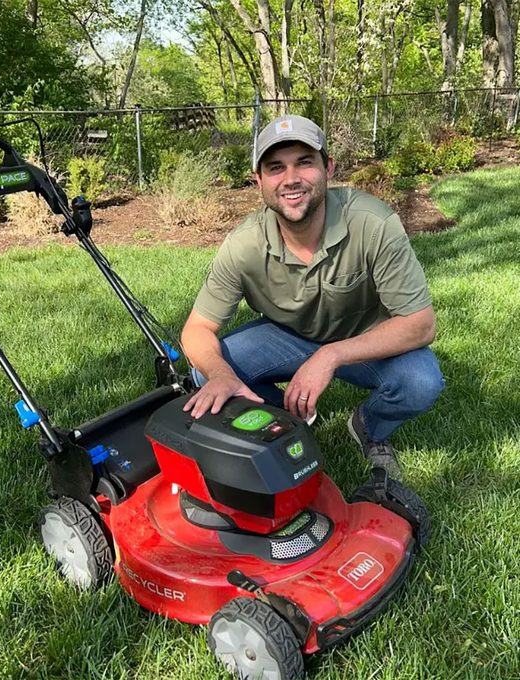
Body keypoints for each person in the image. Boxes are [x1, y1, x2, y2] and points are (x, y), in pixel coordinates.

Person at [180, 114, 444, 480]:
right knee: (204, 370)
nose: (291, 179)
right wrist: (222, 374)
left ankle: (369, 427)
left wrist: (331, 355)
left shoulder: (373, 223)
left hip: (361, 340)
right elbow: (196, 331)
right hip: (286, 337)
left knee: (421, 382)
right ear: (259, 181)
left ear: (327, 167)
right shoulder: (243, 245)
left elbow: (420, 324)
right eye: (276, 168)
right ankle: (283, 422)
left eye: (304, 162)